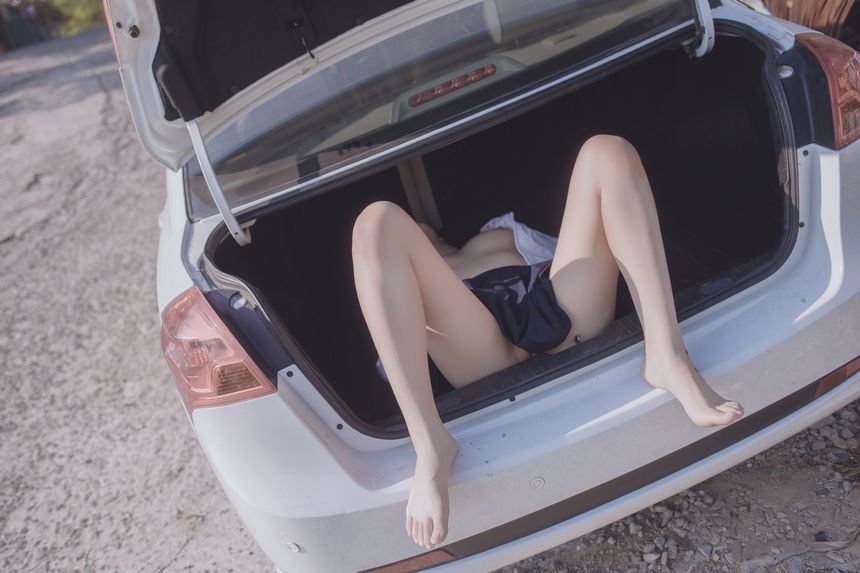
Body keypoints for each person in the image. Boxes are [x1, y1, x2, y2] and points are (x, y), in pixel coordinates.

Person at [350, 134, 745, 550]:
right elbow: (392, 331)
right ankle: (431, 446)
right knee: (375, 221)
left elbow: (583, 242)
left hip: (549, 297)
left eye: (423, 227)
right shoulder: (411, 274)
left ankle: (667, 355)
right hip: (476, 338)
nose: (419, 229)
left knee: (607, 150)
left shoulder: (496, 234)